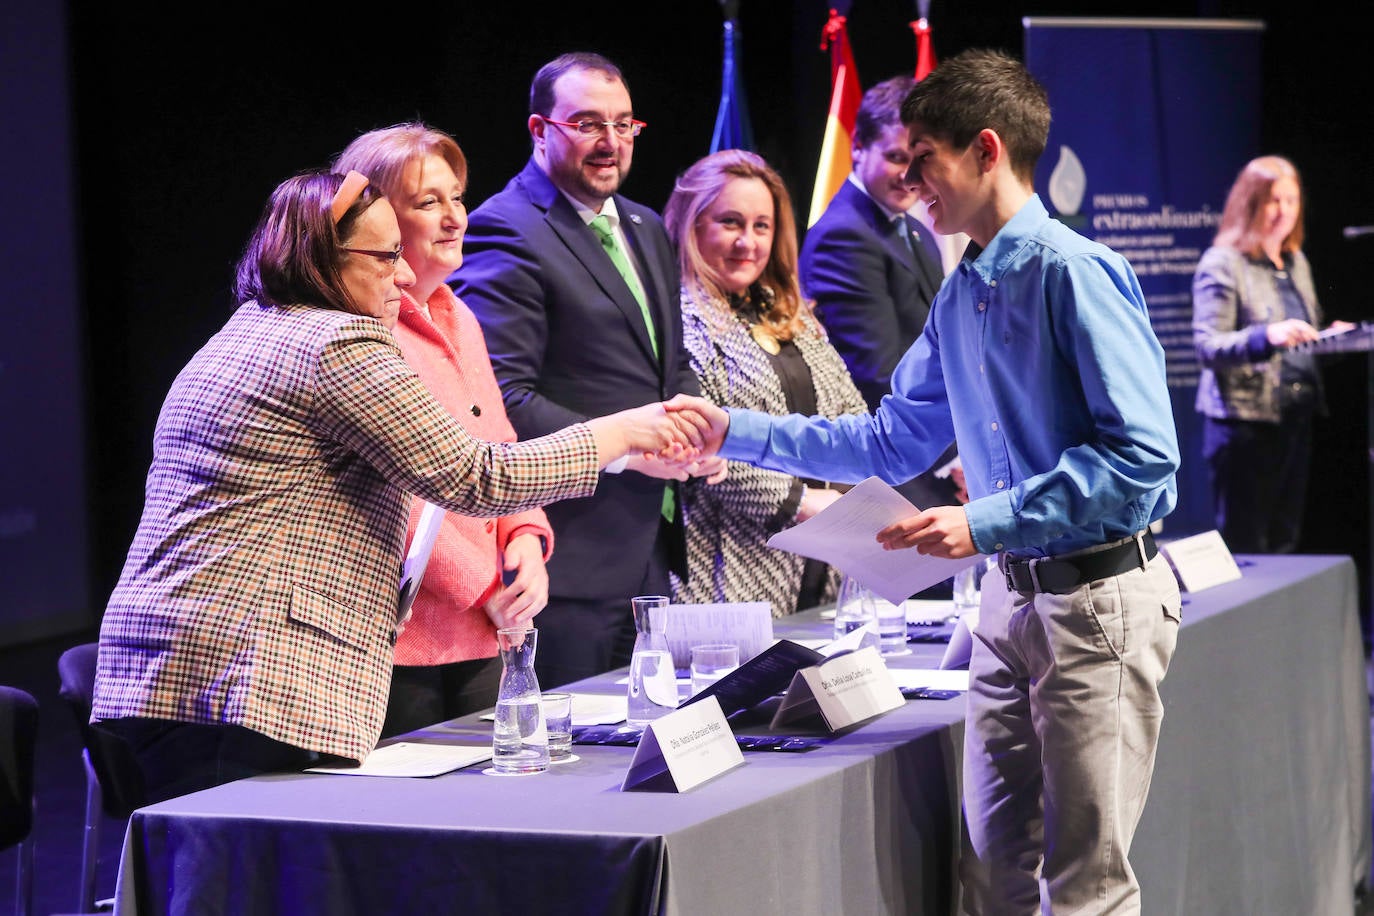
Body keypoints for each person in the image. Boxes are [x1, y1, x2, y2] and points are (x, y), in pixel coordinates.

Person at [668, 49, 1182, 913]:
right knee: (989, 873)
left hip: (1093, 601)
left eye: (923, 162)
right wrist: (733, 430)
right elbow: (887, 437)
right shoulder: (963, 288)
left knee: (1085, 884)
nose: (908, 184)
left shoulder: (1073, 272)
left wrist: (984, 523)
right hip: (1007, 605)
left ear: (985, 149)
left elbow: (1142, 461)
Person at [90, 168, 702, 802]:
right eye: (386, 258)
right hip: (244, 679)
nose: (405, 275)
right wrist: (624, 435)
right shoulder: (334, 342)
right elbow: (476, 475)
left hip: (179, 673)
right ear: (321, 257)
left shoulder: (249, 328)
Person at [449, 52, 718, 688]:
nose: (611, 143)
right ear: (540, 130)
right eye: (588, 125)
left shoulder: (647, 226)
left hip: (650, 549)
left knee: (645, 749)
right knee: (572, 765)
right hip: (563, 559)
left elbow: (669, 361)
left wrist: (699, 431)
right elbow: (501, 399)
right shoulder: (504, 229)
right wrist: (628, 453)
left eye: (624, 125)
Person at [332, 123, 556, 736]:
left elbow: (501, 447)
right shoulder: (362, 330)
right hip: (400, 643)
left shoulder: (460, 315)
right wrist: (486, 584)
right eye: (429, 202)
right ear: (376, 222)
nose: (455, 216)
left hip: (486, 625)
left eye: (456, 196)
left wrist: (527, 541)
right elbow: (392, 495)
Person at [662, 149, 868, 616]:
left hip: (825, 560)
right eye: (730, 223)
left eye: (762, 226)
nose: (748, 243)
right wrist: (799, 503)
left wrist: (849, 500)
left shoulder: (791, 313)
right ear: (692, 226)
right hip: (730, 569)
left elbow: (853, 415)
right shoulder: (678, 318)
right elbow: (702, 443)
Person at [800, 73, 966, 520]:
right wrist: (954, 457)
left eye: (918, 158)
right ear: (858, 147)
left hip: (934, 460)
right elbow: (878, 374)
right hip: (897, 473)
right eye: (894, 157)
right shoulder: (843, 237)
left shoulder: (914, 230)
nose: (909, 175)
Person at [1192, 154, 1350, 555]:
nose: (1284, 213)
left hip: (1295, 420)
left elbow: (1301, 342)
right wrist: (1267, 336)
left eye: (1292, 201)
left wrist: (1332, 340)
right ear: (1250, 205)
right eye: (1273, 201)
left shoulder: (1296, 263)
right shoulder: (1224, 264)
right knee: (1249, 547)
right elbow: (1208, 346)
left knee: (1286, 542)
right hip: (1245, 427)